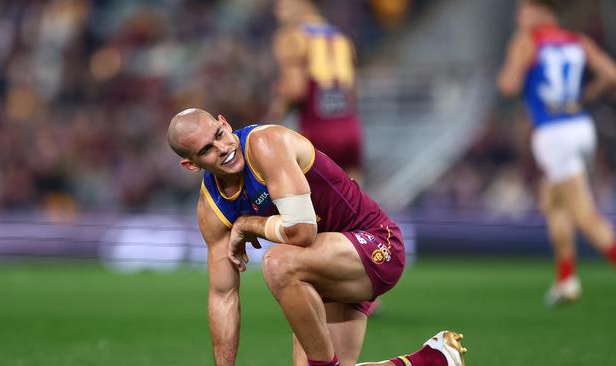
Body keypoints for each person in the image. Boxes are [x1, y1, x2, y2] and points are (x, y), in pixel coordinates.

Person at [167, 108, 467, 366]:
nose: (222, 147)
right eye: (206, 149)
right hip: (323, 270)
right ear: (191, 165)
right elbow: (223, 296)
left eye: (219, 134)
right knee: (282, 264)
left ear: (225, 122)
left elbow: (302, 231)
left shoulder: (265, 144)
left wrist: (249, 224)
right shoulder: (211, 208)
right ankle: (433, 359)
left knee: (277, 263)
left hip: (374, 244)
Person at [497, 0, 616, 306]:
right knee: (552, 199)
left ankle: (572, 277)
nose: (519, 16)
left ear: (541, 10)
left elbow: (508, 85)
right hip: (579, 126)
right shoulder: (578, 41)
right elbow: (611, 75)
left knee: (583, 213)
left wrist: (516, 60)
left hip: (553, 133)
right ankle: (566, 280)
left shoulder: (528, 41)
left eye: (523, 9)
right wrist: (585, 95)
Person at [268, 0, 364, 184]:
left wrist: (279, 101)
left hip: (317, 131)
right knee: (355, 203)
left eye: (282, 4)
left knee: (313, 204)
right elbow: (354, 93)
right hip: (351, 130)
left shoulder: (291, 36)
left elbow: (296, 90)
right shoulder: (341, 38)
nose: (277, 10)